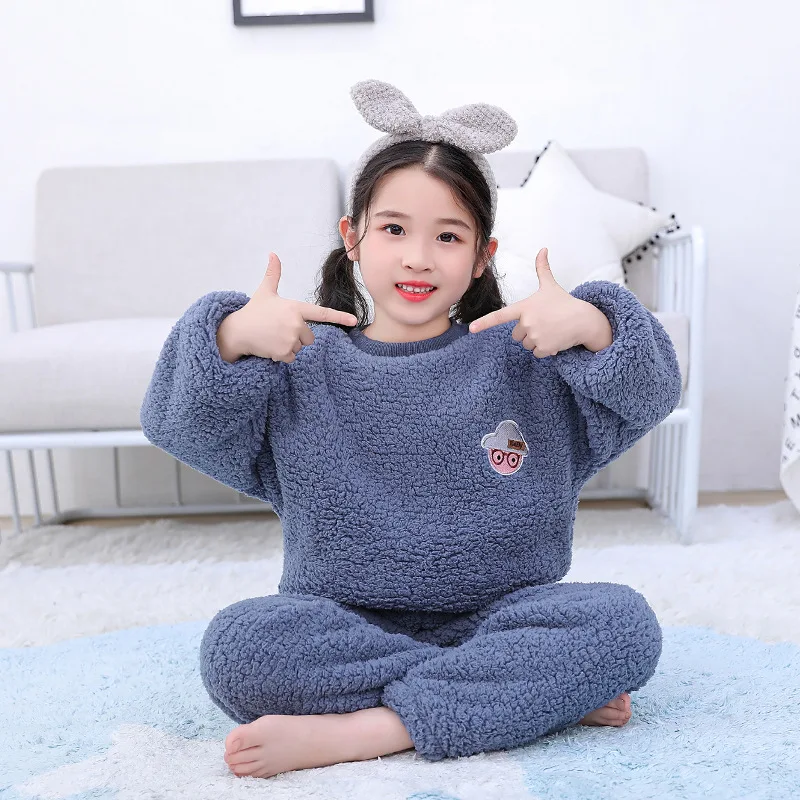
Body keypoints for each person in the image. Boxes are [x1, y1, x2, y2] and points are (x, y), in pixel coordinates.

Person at [140, 78, 682, 780]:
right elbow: (176, 423)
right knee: (239, 648)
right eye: (394, 229)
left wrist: (597, 325)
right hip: (345, 627)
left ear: (482, 256)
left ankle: (375, 728)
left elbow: (651, 392)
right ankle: (522, 696)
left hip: (506, 617)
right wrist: (231, 337)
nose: (418, 257)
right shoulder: (301, 361)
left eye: (448, 236)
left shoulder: (524, 356)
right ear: (353, 238)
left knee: (623, 624)